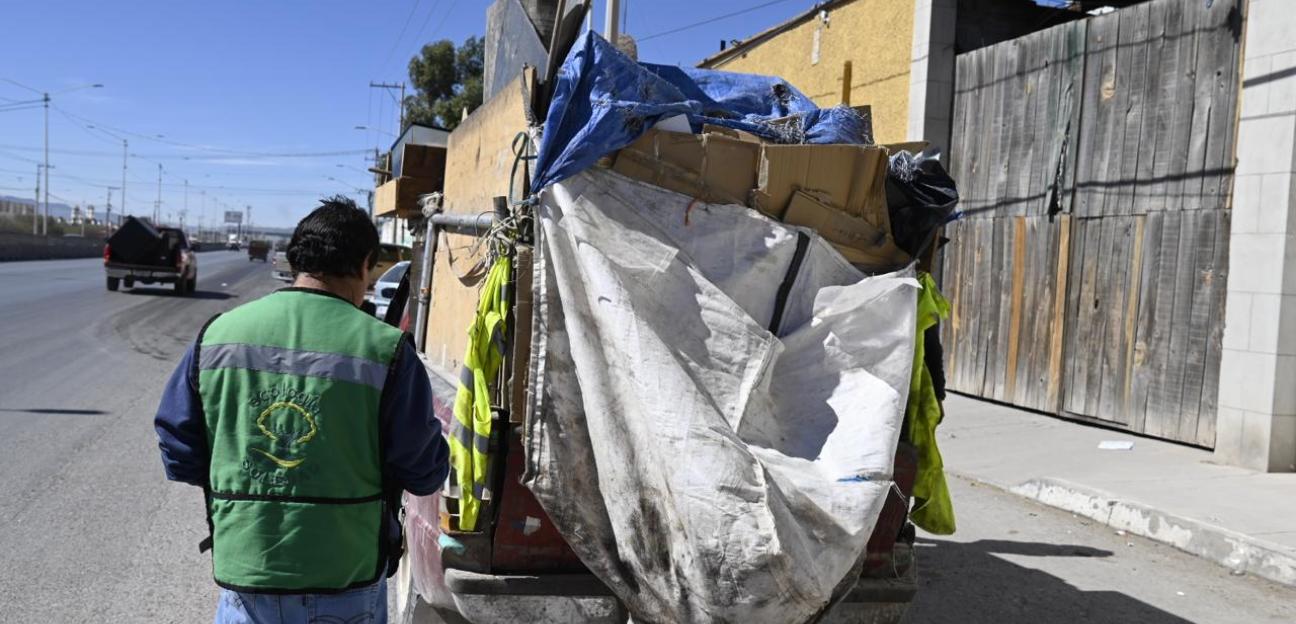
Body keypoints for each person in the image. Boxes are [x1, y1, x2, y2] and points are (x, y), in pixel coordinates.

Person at [154, 196, 450, 624]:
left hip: (247, 573)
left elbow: (178, 449)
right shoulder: (387, 351)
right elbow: (423, 472)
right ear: (366, 263)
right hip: (345, 579)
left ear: (297, 259)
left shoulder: (218, 335)